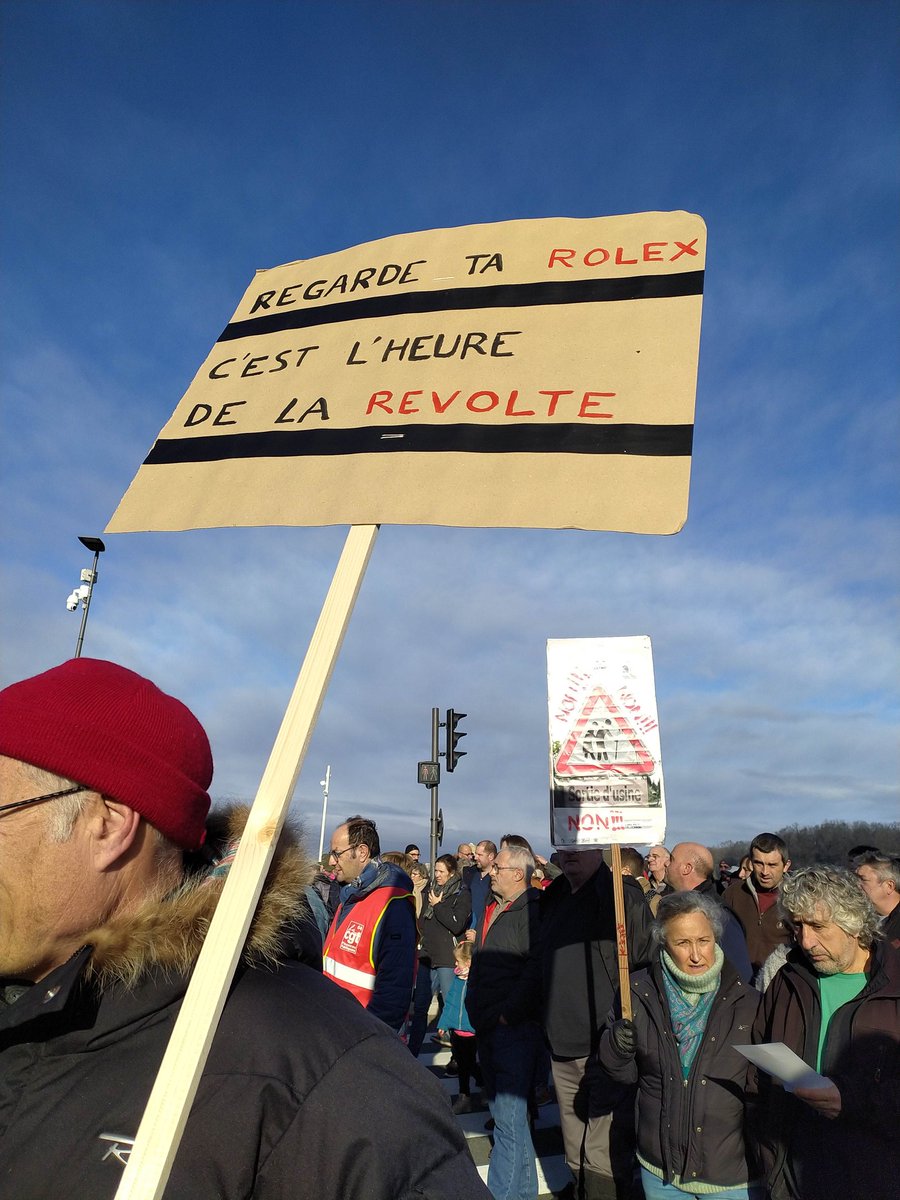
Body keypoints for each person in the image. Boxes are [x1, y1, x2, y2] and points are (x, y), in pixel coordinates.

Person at [0, 658, 489, 1199]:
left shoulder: (337, 1089)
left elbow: (393, 973)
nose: (335, 862)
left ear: (109, 824)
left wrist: (386, 1026)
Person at [599, 891, 762, 1200]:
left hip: (730, 1173)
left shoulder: (750, 1003)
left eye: (703, 941)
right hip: (661, 1169)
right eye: (683, 943)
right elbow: (621, 1074)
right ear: (664, 943)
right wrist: (616, 1047)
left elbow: (761, 1091)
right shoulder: (636, 993)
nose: (696, 955)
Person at [751, 866, 900, 1200]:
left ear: (853, 924)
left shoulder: (894, 984)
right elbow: (759, 1061)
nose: (806, 941)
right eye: (797, 926)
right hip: (790, 1176)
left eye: (818, 926)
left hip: (873, 1179)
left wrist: (851, 1101)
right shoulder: (789, 979)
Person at [535, 846, 653, 1200]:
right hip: (560, 1040)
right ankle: (579, 1189)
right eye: (564, 845)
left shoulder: (620, 895)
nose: (570, 852)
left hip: (605, 1043)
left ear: (600, 849)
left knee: (602, 1149)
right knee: (573, 1140)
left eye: (580, 846)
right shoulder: (553, 896)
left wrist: (627, 1026)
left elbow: (645, 963)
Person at [466, 843, 544, 1200]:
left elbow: (536, 968)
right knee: (508, 1120)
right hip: (488, 1023)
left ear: (517, 874)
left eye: (497, 866)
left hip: (513, 1028)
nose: (491, 871)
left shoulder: (533, 911)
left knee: (509, 1125)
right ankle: (522, 1192)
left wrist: (508, 1013)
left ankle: (499, 1194)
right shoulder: (494, 907)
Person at [322, 814, 418, 1034]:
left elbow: (394, 990)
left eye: (336, 853)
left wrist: (369, 1041)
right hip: (338, 1027)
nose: (331, 861)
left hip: (361, 1035)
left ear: (362, 852)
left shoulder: (391, 903)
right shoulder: (352, 895)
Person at [667, 842, 752, 982]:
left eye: (671, 859)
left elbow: (740, 973)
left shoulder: (718, 914)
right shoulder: (678, 906)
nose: (666, 864)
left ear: (686, 868)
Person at [413, 853, 472, 1054]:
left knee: (451, 1008)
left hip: (448, 957)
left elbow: (456, 925)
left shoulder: (461, 894)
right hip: (427, 956)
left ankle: (460, 1056)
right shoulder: (432, 891)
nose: (436, 875)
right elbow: (422, 921)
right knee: (420, 1006)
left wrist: (438, 906)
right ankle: (412, 1051)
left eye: (440, 871)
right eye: (435, 871)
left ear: (451, 872)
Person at [723, 833, 793, 982]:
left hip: (779, 984)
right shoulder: (733, 893)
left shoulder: (797, 898)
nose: (765, 872)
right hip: (737, 986)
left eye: (772, 865)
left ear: (786, 865)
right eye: (758, 863)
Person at [438, 939, 480, 1114]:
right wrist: (443, 1024)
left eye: (459, 961)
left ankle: (483, 1084)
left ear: (469, 962)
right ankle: (465, 1097)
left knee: (469, 1064)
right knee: (463, 1065)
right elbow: (450, 1003)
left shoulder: (476, 981)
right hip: (456, 1031)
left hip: (471, 1032)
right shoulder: (458, 980)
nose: (455, 963)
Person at [853, 850, 900, 944]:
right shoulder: (861, 921)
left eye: (863, 879)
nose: (856, 884)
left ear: (889, 886)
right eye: (855, 878)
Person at [464, 838, 498, 942]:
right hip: (468, 929)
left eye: (480, 855)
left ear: (491, 856)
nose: (475, 857)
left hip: (486, 931)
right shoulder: (470, 874)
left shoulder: (497, 878)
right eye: (475, 854)